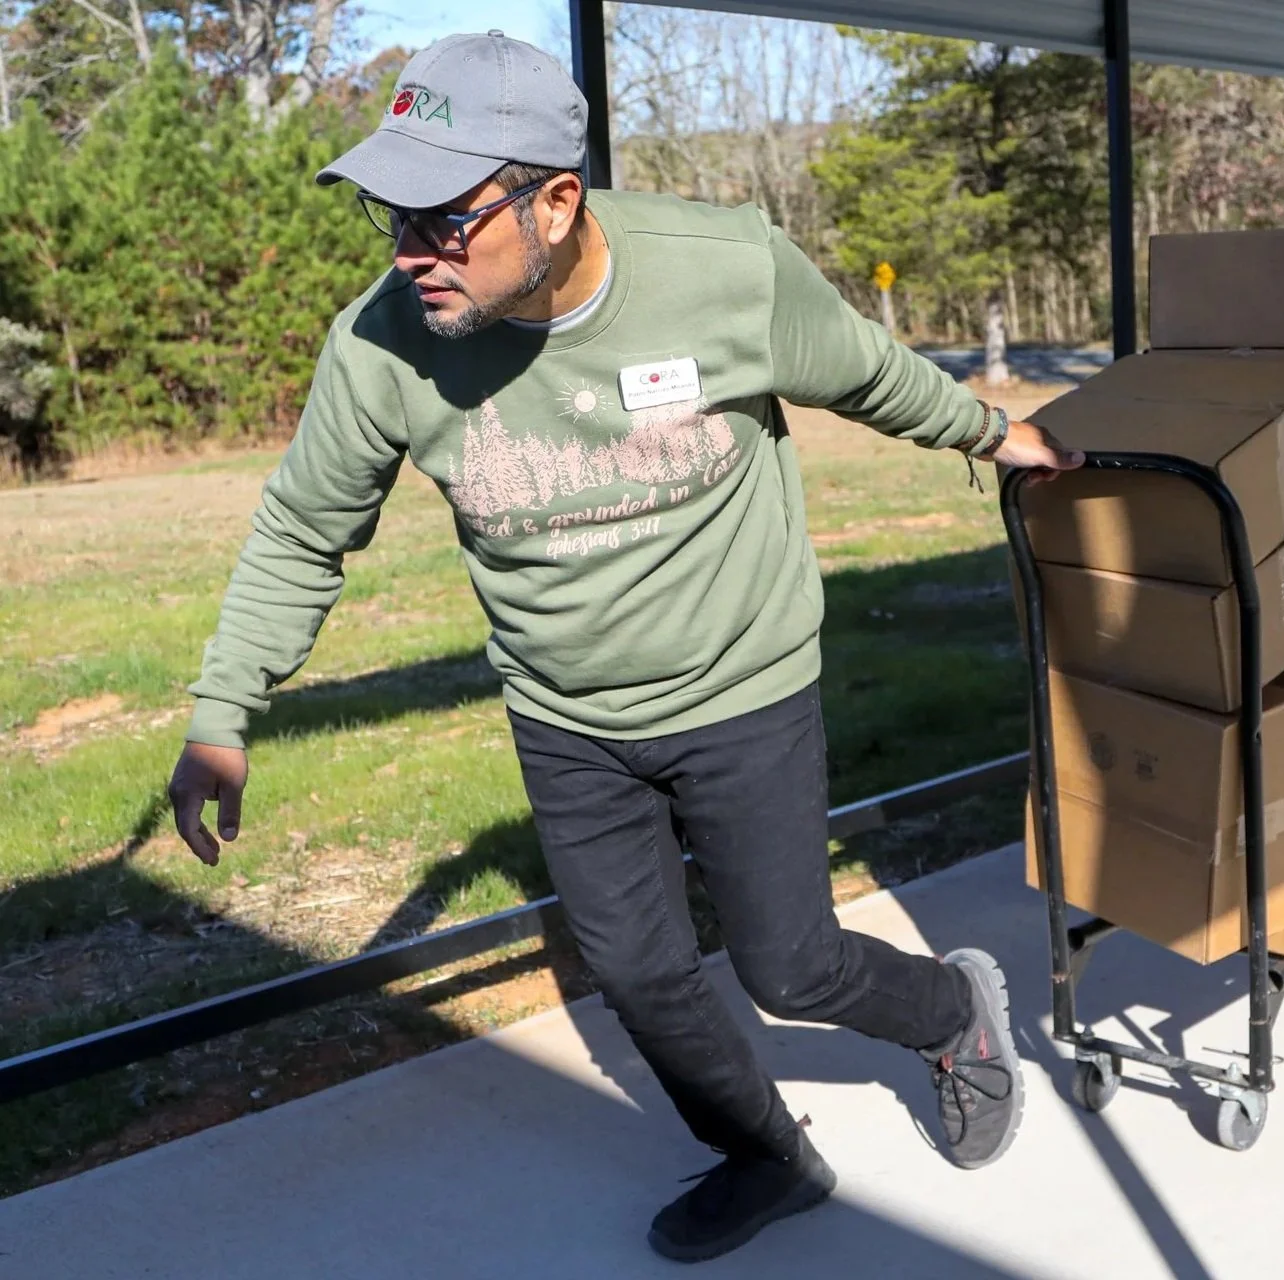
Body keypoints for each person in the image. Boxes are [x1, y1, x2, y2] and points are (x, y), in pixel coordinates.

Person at [165, 31, 1083, 1263]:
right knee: (640, 975)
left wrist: (988, 432)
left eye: (442, 218)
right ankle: (767, 1150)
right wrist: (225, 711)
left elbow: (861, 373)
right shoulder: (384, 343)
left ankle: (949, 1010)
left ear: (555, 199)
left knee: (790, 965)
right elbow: (302, 528)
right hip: (566, 714)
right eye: (391, 214)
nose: (409, 253)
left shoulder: (724, 270)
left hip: (741, 683)